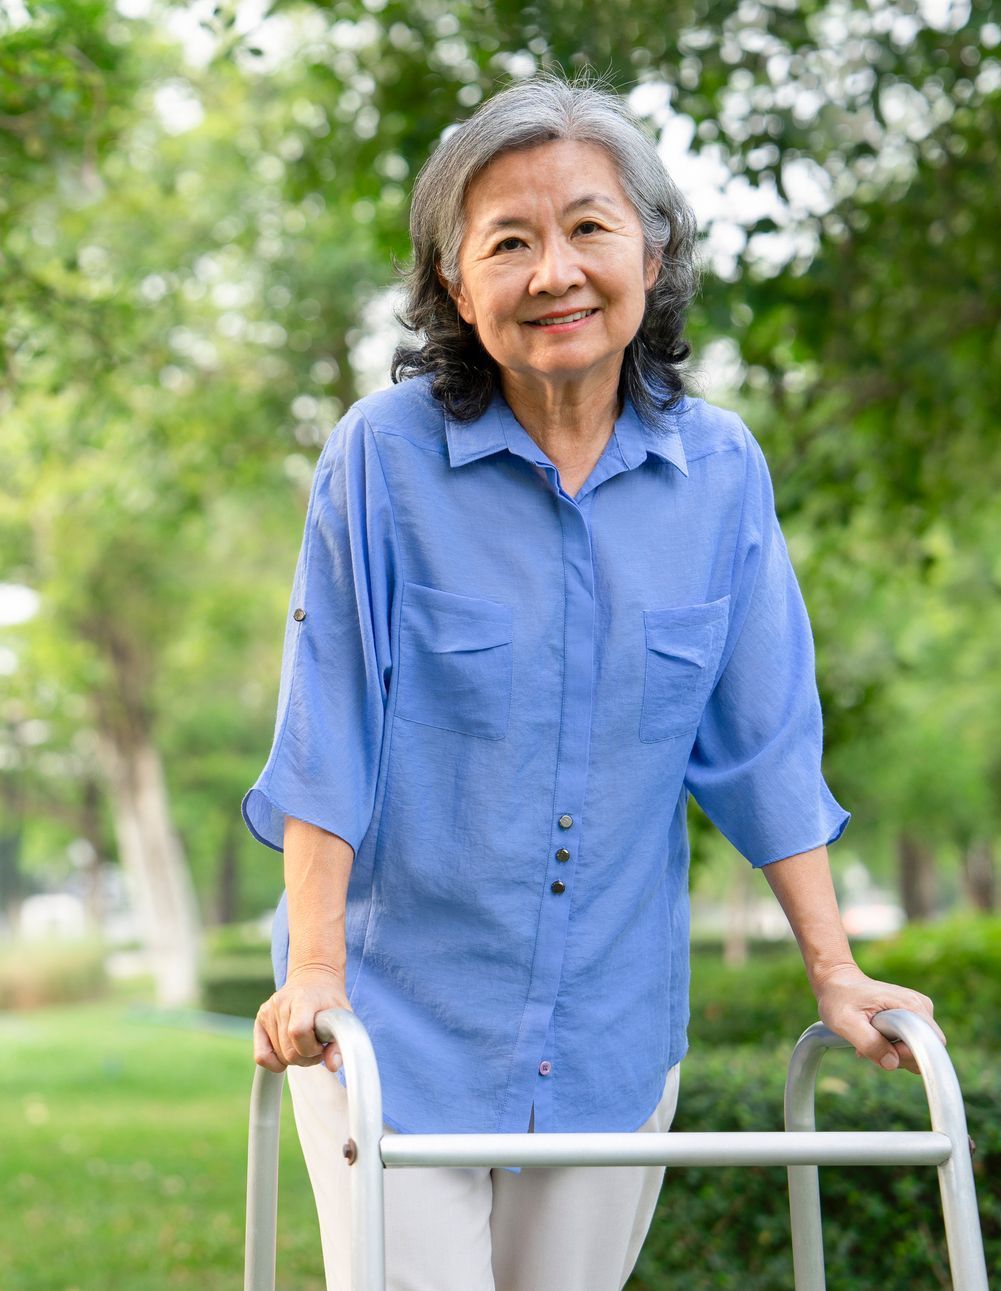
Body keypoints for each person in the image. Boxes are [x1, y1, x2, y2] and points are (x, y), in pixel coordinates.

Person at [241, 72, 944, 1291]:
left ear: (653, 252)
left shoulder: (720, 471)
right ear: (457, 287)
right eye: (507, 242)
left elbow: (764, 745)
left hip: (612, 1031)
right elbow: (332, 725)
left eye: (586, 228)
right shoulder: (381, 460)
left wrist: (836, 973)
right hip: (399, 1022)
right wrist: (315, 971)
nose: (553, 271)